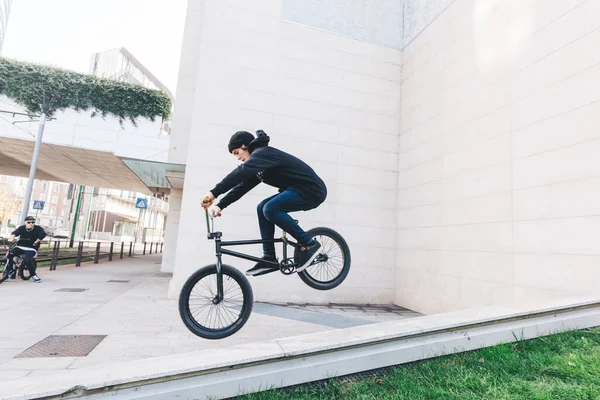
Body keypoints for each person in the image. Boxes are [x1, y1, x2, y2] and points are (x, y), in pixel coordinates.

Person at [201, 130, 327, 277]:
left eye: (236, 152)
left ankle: (310, 244)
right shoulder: (259, 165)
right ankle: (269, 258)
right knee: (262, 207)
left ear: (245, 146)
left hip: (312, 190)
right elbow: (241, 187)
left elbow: (240, 172)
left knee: (270, 208)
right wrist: (219, 205)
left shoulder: (262, 153)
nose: (238, 158)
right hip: (299, 190)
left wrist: (213, 193)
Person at [7, 216, 46, 283]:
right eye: (29, 222)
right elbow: (15, 233)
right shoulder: (22, 228)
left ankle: (34, 275)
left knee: (27, 260)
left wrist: (37, 241)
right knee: (9, 255)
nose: (31, 223)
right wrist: (11, 238)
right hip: (20, 247)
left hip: (31, 248)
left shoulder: (38, 228)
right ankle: (10, 270)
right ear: (25, 222)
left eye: (33, 222)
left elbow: (42, 234)